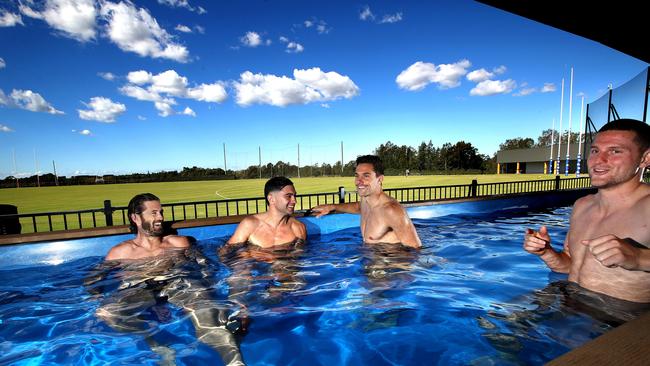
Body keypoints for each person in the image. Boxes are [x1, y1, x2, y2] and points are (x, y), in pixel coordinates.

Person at [95, 193, 245, 366]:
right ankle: (158, 345)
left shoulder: (178, 243)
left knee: (208, 322)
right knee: (106, 313)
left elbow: (206, 268)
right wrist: (96, 296)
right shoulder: (120, 252)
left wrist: (211, 293)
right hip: (140, 289)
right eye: (154, 213)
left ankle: (236, 363)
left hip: (178, 284)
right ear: (135, 218)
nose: (161, 217)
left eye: (161, 212)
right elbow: (95, 280)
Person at [524, 118, 650, 304]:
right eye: (595, 151)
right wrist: (546, 252)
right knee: (492, 322)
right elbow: (570, 265)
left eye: (615, 151)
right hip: (571, 301)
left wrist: (638, 258)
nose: (599, 160)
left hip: (617, 319)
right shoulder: (582, 205)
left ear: (645, 158)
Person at [311, 155, 421, 248]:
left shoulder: (391, 210)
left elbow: (415, 250)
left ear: (380, 178)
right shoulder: (365, 200)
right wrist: (333, 206)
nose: (359, 181)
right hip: (370, 261)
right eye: (357, 175)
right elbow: (358, 207)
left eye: (366, 176)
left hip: (388, 267)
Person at [221, 176, 307, 251]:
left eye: (294, 196)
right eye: (288, 196)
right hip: (255, 266)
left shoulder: (298, 228)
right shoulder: (250, 225)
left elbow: (298, 256)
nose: (294, 201)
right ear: (271, 199)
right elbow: (226, 252)